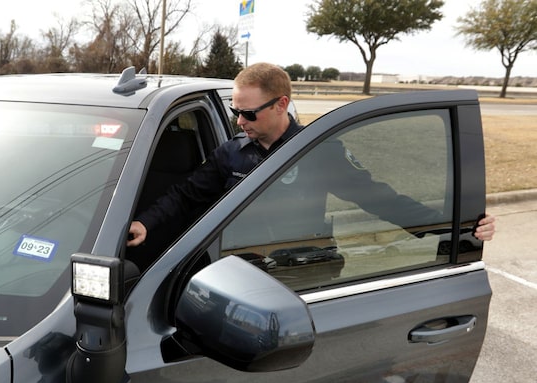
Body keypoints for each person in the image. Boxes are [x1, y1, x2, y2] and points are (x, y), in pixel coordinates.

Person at [127, 62, 495, 252]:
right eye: (235, 112)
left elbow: (384, 201)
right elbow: (186, 195)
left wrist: (459, 226)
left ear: (281, 103)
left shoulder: (318, 152)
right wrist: (146, 222)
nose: (239, 122)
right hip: (234, 266)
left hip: (295, 270)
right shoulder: (230, 153)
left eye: (248, 114)